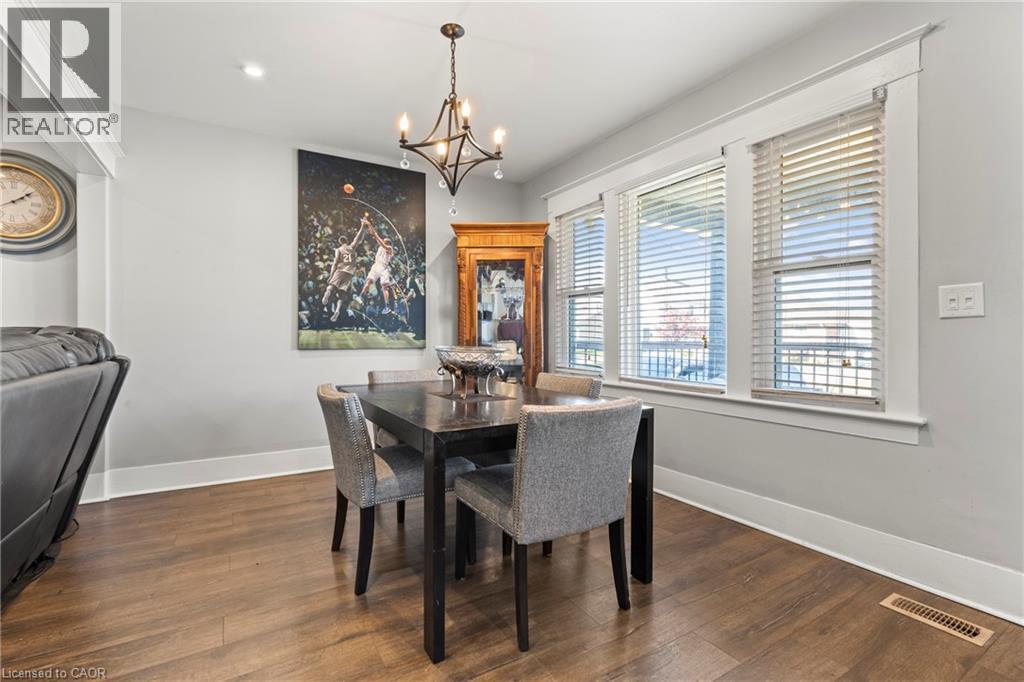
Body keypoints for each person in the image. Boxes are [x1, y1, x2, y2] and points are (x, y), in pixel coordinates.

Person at [321, 214, 368, 322]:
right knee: (341, 295)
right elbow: (358, 238)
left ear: (340, 242)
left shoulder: (338, 250)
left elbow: (334, 263)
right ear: (346, 241)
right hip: (349, 273)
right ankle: (337, 310)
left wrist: (331, 276)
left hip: (340, 270)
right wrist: (362, 226)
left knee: (331, 286)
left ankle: (327, 294)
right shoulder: (351, 247)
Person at [356, 222, 397, 311]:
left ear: (388, 242)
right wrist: (369, 225)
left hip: (383, 267)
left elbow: (379, 239)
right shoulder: (380, 247)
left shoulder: (389, 248)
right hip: (376, 265)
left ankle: (387, 306)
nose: (383, 240)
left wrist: (376, 236)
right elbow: (373, 233)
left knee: (384, 287)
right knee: (369, 282)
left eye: (384, 240)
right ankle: (361, 296)